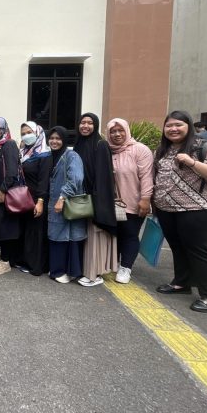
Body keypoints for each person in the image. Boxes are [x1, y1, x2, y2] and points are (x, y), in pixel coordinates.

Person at [153, 110, 207, 312]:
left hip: (198, 209)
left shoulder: (204, 147)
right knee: (178, 247)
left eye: (178, 125)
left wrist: (192, 162)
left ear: (189, 127)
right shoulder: (162, 150)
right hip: (167, 209)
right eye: (169, 125)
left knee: (199, 250)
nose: (173, 129)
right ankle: (181, 283)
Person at [106, 118, 154, 284]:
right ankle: (115, 262)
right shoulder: (107, 149)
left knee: (130, 234)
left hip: (133, 201)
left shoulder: (140, 150)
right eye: (113, 131)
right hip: (111, 204)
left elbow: (147, 176)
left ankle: (126, 267)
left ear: (127, 131)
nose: (117, 134)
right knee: (114, 234)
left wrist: (145, 199)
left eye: (120, 130)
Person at [73, 112, 118, 287]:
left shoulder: (101, 144)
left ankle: (94, 274)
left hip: (95, 199)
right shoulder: (79, 144)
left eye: (90, 123)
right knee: (84, 237)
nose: (85, 126)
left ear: (96, 125)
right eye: (82, 122)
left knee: (94, 237)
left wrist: (99, 203)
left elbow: (104, 177)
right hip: (81, 198)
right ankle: (84, 269)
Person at [46, 126, 88, 283]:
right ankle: (58, 270)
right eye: (52, 138)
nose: (54, 141)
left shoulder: (71, 156)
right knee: (57, 236)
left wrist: (62, 197)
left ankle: (65, 272)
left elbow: (76, 179)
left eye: (58, 139)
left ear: (64, 140)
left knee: (68, 236)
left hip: (66, 203)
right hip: (55, 203)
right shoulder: (52, 156)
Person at [0, 117, 23, 276]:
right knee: (2, 226)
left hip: (6, 193)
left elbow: (12, 172)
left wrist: (2, 190)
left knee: (6, 228)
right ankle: (7, 258)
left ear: (4, 130)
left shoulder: (9, 144)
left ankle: (5, 262)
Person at [18, 121, 50, 275]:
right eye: (23, 134)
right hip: (24, 199)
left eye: (29, 132)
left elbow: (44, 180)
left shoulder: (44, 154)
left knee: (37, 232)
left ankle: (37, 265)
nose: (26, 136)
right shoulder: (24, 153)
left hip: (37, 199)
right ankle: (26, 260)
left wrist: (40, 202)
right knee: (27, 230)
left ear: (37, 133)